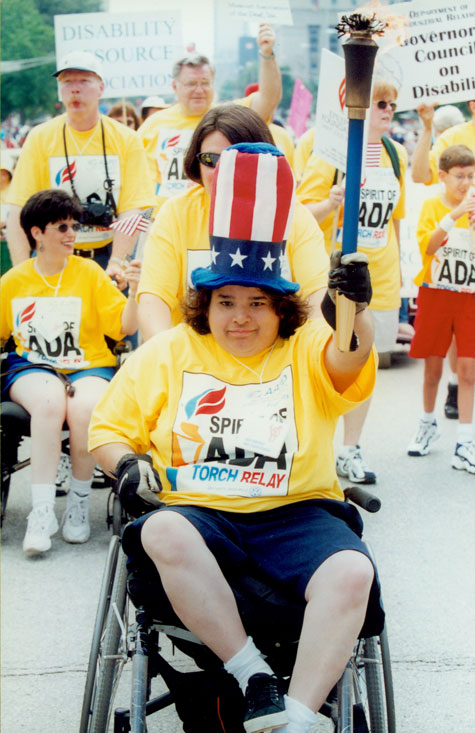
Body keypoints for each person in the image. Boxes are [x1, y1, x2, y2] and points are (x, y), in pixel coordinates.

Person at [89, 143, 382, 733]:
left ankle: (296, 719)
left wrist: (358, 310)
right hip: (202, 513)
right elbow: (107, 430)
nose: (240, 318)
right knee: (162, 527)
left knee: (353, 572)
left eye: (256, 304)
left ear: (281, 310)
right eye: (225, 303)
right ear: (206, 303)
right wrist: (125, 463)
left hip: (296, 511)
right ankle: (254, 676)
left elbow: (350, 356)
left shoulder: (303, 348)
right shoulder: (171, 350)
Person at [0, 189, 141, 555]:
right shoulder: (13, 281)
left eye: (73, 226)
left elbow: (123, 327)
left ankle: (78, 503)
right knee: (49, 402)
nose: (71, 234)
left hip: (89, 365)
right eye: (61, 226)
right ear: (36, 232)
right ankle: (42, 512)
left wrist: (137, 291)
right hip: (33, 367)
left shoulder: (90, 272)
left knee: (85, 409)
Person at [136, 105, 329, 340]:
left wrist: (316, 355)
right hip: (192, 366)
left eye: (232, 160)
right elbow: (153, 299)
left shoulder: (295, 216)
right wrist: (164, 356)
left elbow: (318, 298)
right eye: (210, 160)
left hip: (274, 365)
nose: (220, 171)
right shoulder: (176, 213)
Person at [296, 79, 407, 484]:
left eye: (392, 104)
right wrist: (332, 200)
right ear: (357, 106)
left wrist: (400, 272)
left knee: (367, 362)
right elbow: (303, 215)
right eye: (380, 102)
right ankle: (316, 448)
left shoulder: (395, 152)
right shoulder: (331, 152)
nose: (388, 110)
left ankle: (350, 448)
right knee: (324, 361)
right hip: (332, 277)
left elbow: (395, 218)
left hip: (379, 276)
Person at [5, 51, 155, 280]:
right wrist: (21, 270)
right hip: (52, 256)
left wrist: (117, 261)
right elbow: (18, 208)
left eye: (84, 81)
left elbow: (133, 208)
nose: (75, 89)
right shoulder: (39, 137)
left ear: (101, 88)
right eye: (67, 82)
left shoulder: (126, 139)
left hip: (106, 254)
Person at [137, 24, 281, 210]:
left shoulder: (229, 116)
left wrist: (267, 54)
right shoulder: (153, 125)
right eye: (191, 84)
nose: (199, 90)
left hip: (219, 219)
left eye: (205, 83)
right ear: (175, 87)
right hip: (165, 220)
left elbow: (268, 99)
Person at [407, 145, 475, 473]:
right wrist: (456, 213)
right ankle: (427, 422)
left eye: (471, 176)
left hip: (468, 295)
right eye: (460, 176)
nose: (466, 182)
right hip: (435, 291)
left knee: (467, 369)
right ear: (444, 176)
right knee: (432, 368)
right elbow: (429, 246)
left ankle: (465, 441)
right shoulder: (434, 206)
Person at [411, 101, 473, 420]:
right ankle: (447, 392)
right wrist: (426, 127)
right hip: (444, 272)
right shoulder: (454, 136)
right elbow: (422, 174)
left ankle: (465, 434)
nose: (466, 181)